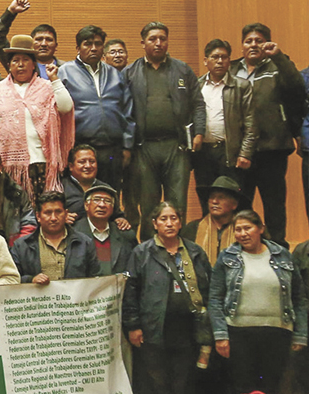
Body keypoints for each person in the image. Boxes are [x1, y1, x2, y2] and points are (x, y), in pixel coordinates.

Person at [209, 210, 307, 394]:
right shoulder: (227, 257)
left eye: (248, 228)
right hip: (239, 334)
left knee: (272, 390)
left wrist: (300, 335)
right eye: (238, 230)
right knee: (243, 390)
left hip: (278, 334)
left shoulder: (283, 255)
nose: (243, 234)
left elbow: (299, 298)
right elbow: (215, 299)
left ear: (261, 229)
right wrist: (220, 335)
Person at [123, 201, 212, 394]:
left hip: (189, 331)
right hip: (154, 329)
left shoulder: (195, 252)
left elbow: (208, 288)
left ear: (180, 223)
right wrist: (133, 325)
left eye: (174, 218)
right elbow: (131, 292)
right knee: (158, 385)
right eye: (164, 219)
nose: (169, 223)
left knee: (184, 384)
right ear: (155, 224)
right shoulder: (141, 253)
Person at [122, 23, 204, 239]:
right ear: (143, 43)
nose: (158, 43)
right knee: (148, 204)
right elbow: (121, 109)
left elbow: (198, 104)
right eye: (152, 39)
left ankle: (179, 251)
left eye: (162, 38)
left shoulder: (183, 69)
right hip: (144, 148)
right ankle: (150, 252)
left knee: (177, 203)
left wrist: (199, 132)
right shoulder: (129, 72)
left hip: (176, 147)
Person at [231, 23, 305, 247]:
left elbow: (297, 88)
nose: (254, 44)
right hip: (240, 150)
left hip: (272, 148)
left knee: (274, 204)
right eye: (249, 41)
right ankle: (244, 250)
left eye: (259, 40)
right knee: (242, 203)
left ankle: (278, 250)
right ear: (242, 45)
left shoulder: (278, 65)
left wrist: (279, 57)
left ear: (267, 44)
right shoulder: (232, 69)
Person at [0, 34, 74, 198]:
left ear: (34, 64)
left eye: (25, 60)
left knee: (42, 213)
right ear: (9, 65)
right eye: (15, 60)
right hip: (8, 165)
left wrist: (54, 79)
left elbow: (66, 107)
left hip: (41, 163)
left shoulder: (47, 87)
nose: (20, 65)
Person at [51, 24, 136, 194]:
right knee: (80, 197)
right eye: (88, 44)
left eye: (98, 44)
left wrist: (127, 146)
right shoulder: (64, 73)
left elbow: (128, 111)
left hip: (112, 149)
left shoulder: (115, 74)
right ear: (78, 48)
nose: (93, 48)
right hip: (79, 148)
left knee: (110, 195)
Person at [193, 39, 255, 205]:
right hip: (203, 154)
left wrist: (245, 154)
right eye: (215, 57)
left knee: (233, 203)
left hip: (230, 153)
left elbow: (251, 124)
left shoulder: (242, 86)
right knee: (206, 202)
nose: (220, 61)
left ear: (229, 60)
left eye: (224, 57)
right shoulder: (197, 86)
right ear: (206, 61)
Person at [10, 191, 100, 284]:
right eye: (48, 213)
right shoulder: (22, 246)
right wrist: (31, 279)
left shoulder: (84, 243)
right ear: (38, 216)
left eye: (58, 212)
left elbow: (95, 280)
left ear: (66, 214)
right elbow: (13, 278)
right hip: (38, 298)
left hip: (76, 298)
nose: (53, 218)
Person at [60, 144, 131, 231]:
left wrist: (121, 220)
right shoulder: (60, 188)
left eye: (92, 161)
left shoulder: (105, 188)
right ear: (71, 166)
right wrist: (61, 218)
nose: (88, 166)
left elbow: (117, 215)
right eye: (82, 162)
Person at [73, 185, 136, 276]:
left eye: (107, 201)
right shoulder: (73, 233)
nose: (102, 205)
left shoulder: (126, 235)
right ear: (86, 206)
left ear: (113, 208)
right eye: (97, 199)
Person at [0, 0, 59, 77]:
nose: (43, 44)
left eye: (49, 40)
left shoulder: (67, 68)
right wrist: (11, 12)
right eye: (39, 39)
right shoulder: (20, 65)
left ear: (56, 45)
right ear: (31, 44)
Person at [182, 177, 246, 265]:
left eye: (221, 197)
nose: (215, 201)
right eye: (212, 197)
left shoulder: (244, 231)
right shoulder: (192, 229)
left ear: (234, 204)